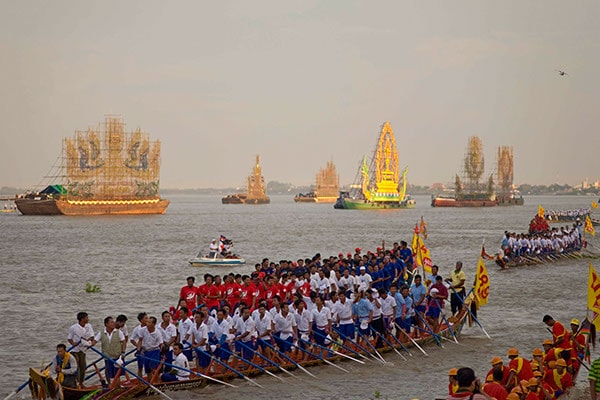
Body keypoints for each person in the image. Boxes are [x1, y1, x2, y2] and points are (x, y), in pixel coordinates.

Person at [67, 312, 96, 388]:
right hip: (74, 350)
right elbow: (69, 338)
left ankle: (81, 382)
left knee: (83, 366)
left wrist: (87, 341)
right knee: (76, 366)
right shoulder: (73, 327)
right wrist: (73, 343)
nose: (88, 319)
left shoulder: (89, 326)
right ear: (82, 319)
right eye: (86, 318)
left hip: (83, 349)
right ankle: (76, 383)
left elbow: (92, 336)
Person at [94, 316, 126, 385]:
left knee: (117, 372)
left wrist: (123, 352)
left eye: (113, 322)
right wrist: (87, 344)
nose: (113, 323)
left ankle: (117, 386)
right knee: (108, 371)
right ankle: (109, 384)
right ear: (106, 324)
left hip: (117, 356)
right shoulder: (101, 333)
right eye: (111, 322)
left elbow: (124, 342)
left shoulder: (118, 332)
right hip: (107, 356)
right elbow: (94, 341)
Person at [136, 316, 164, 382]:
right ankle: (149, 383)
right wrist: (138, 350)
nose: (147, 323)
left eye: (149, 322)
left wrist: (163, 352)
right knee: (148, 370)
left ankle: (156, 383)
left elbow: (161, 344)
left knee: (153, 368)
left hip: (155, 350)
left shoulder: (157, 333)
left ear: (153, 324)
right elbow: (140, 340)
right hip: (146, 351)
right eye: (147, 322)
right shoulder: (142, 330)